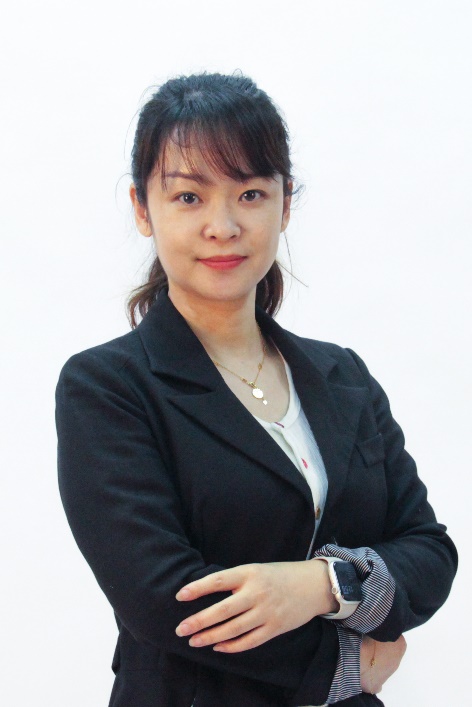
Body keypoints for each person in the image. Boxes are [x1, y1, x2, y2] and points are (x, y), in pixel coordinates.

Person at [56, 72, 457, 707]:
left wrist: (323, 585)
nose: (222, 225)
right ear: (142, 208)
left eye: (249, 193)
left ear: (284, 203)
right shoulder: (107, 387)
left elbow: (429, 553)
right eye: (189, 197)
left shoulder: (343, 376)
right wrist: (345, 663)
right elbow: (165, 600)